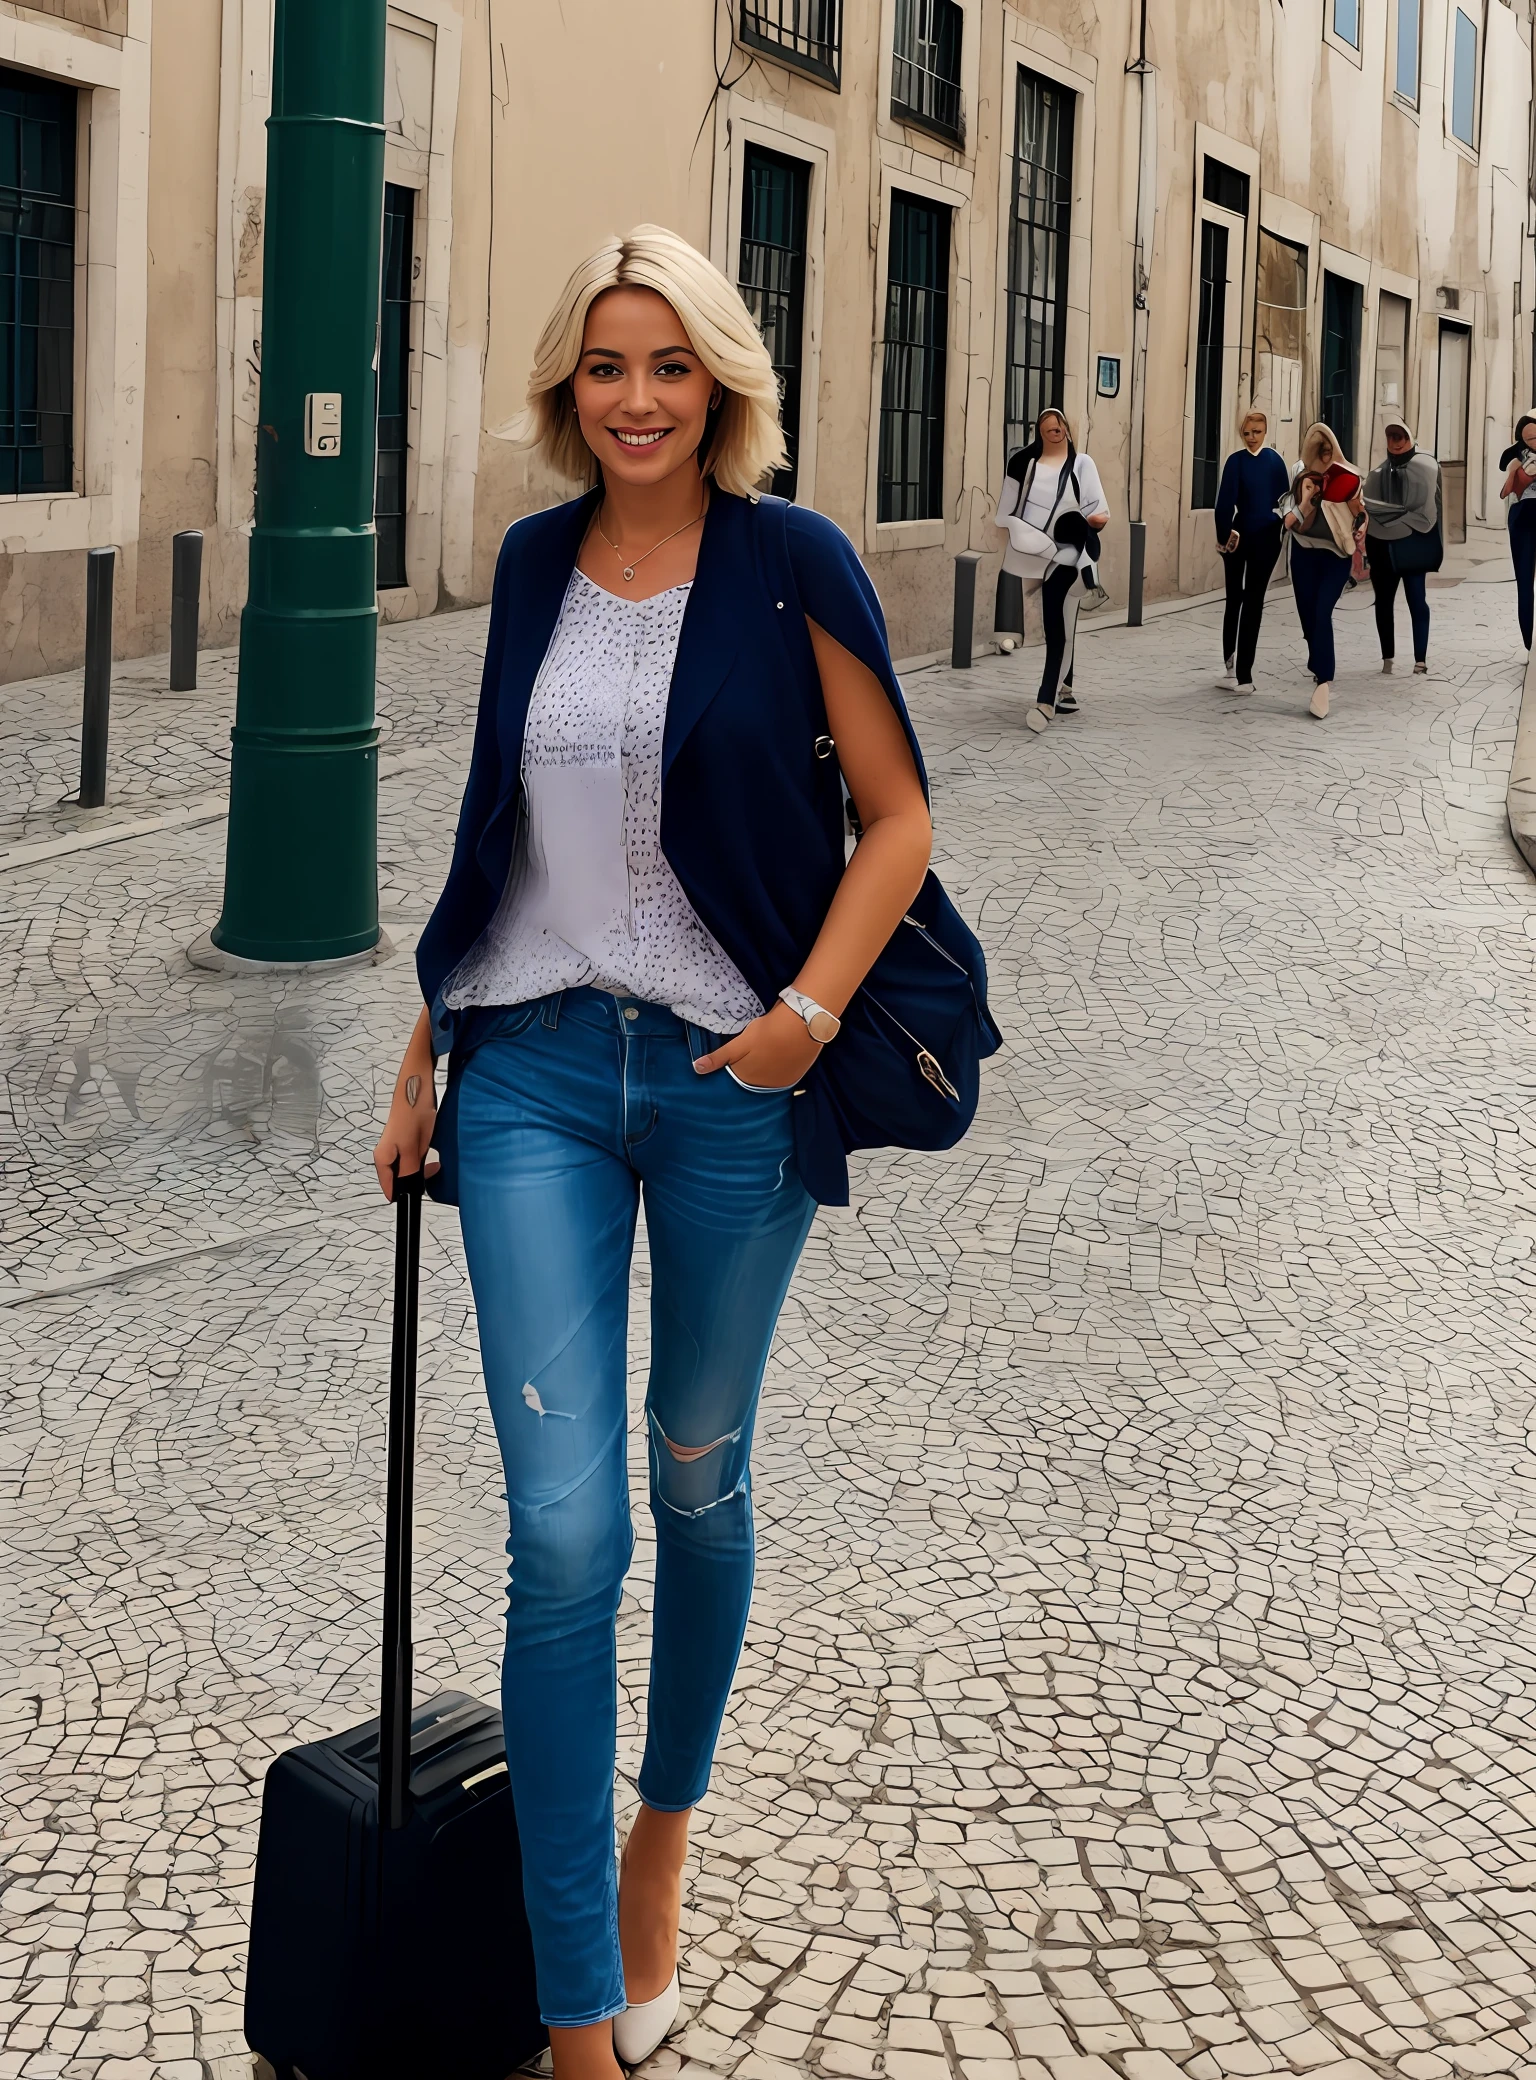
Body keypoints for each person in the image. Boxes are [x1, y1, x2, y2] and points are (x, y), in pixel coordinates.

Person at [371, 227, 956, 2080]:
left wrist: (799, 1017)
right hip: (536, 1070)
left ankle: (664, 1835)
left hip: (726, 1088)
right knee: (565, 1535)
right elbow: (497, 844)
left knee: (698, 1491)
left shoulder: (791, 564)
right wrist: (424, 1050)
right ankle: (572, 2026)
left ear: (722, 386)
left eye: (670, 367)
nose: (636, 399)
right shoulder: (537, 564)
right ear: (570, 392)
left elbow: (898, 816)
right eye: (606, 369)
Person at [993, 406, 1110, 732]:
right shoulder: (1025, 466)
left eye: (1058, 428)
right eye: (1046, 429)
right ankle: (1065, 690)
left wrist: (1078, 521)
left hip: (1070, 556)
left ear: (1068, 431)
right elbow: (1003, 515)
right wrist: (1023, 528)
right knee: (1060, 625)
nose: (1052, 433)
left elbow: (1101, 514)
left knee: (1057, 626)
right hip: (1036, 555)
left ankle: (1046, 701)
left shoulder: (1082, 465)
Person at [1284, 422, 1365, 720]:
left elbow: (1360, 511)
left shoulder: (1349, 477)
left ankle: (1324, 680)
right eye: (1321, 452)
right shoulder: (1300, 476)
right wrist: (1308, 500)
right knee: (1308, 617)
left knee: (1321, 613)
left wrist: (1361, 525)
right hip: (1304, 554)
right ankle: (1318, 660)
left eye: (1331, 452)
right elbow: (1294, 522)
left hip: (1335, 558)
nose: (1326, 458)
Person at [1212, 407, 1289, 693]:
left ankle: (1245, 674)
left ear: (1265, 431)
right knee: (1234, 598)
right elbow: (1223, 504)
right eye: (1246, 433)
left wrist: (1279, 527)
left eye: (1256, 432)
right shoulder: (1236, 461)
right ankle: (1230, 665)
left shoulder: (1275, 461)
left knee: (1254, 601)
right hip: (1238, 538)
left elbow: (1285, 502)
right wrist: (1224, 539)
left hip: (1267, 539)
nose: (1251, 437)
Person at [1362, 417, 1440, 674]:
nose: (1395, 443)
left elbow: (1426, 510)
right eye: (1391, 437)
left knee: (1417, 600)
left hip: (1412, 547)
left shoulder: (1425, 465)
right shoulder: (1378, 473)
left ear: (1409, 439)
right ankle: (1387, 659)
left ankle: (1420, 659)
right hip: (1382, 547)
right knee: (1383, 602)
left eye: (1400, 437)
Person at [1499, 412, 1536, 649]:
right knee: (1524, 581)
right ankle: (1528, 641)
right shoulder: (1516, 459)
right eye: (1529, 438)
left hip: (1523, 519)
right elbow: (1504, 491)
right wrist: (1516, 471)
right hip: (1523, 519)